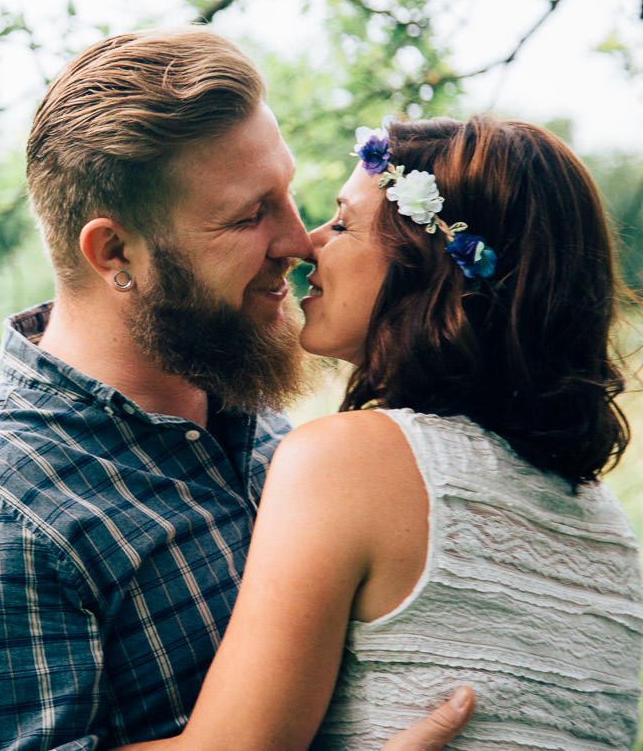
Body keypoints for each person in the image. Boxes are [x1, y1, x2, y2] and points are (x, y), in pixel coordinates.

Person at [0, 27, 474, 750]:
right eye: (249, 214)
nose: (300, 243)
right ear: (115, 253)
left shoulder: (262, 421)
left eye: (288, 194)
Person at [116, 116, 643, 750]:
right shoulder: (609, 529)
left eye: (343, 224)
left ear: (430, 264)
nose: (309, 243)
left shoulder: (349, 461)